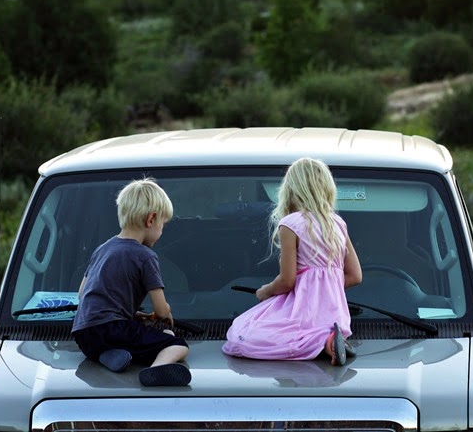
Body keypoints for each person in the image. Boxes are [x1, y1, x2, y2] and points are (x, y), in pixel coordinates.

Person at [222, 157, 362, 366]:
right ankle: (328, 340)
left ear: (290, 190)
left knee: (243, 334)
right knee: (313, 332)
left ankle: (324, 340)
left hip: (303, 313)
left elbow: (287, 281)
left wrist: (266, 291)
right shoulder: (337, 223)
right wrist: (324, 290)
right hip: (334, 315)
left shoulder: (291, 223)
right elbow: (355, 276)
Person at [71, 177, 191, 386]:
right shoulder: (145, 256)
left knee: (120, 341)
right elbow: (161, 310)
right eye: (163, 225)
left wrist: (136, 315)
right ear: (151, 219)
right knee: (175, 343)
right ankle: (156, 369)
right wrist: (166, 313)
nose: (161, 231)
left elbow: (83, 294)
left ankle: (111, 356)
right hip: (114, 329)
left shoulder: (102, 249)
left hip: (84, 335)